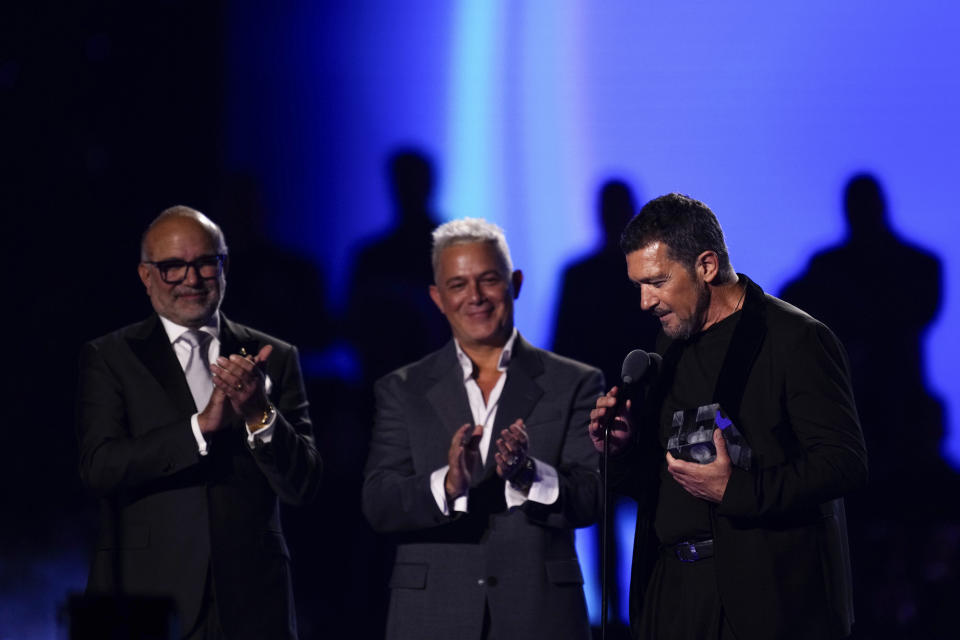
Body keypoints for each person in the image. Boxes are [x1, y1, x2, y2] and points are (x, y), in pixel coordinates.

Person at [589, 194, 867, 639]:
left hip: (764, 601)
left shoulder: (795, 339)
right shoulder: (668, 347)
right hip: (673, 598)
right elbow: (665, 480)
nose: (644, 301)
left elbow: (843, 464)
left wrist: (736, 490)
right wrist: (620, 451)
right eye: (638, 285)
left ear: (706, 266)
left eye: (657, 281)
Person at [77, 206, 322, 639]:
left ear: (224, 267)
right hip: (143, 596)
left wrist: (259, 414)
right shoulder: (110, 356)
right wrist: (200, 427)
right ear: (146, 275)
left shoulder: (275, 356)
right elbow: (100, 467)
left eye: (206, 263)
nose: (192, 280)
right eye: (173, 267)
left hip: (251, 601)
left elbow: (302, 484)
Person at [362, 218, 603, 639]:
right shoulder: (402, 389)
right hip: (430, 616)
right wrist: (449, 484)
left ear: (516, 283)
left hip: (539, 616)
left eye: (489, 280)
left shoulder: (575, 382)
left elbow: (592, 498)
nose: (475, 297)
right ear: (437, 298)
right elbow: (379, 503)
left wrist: (531, 477)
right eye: (458, 285)